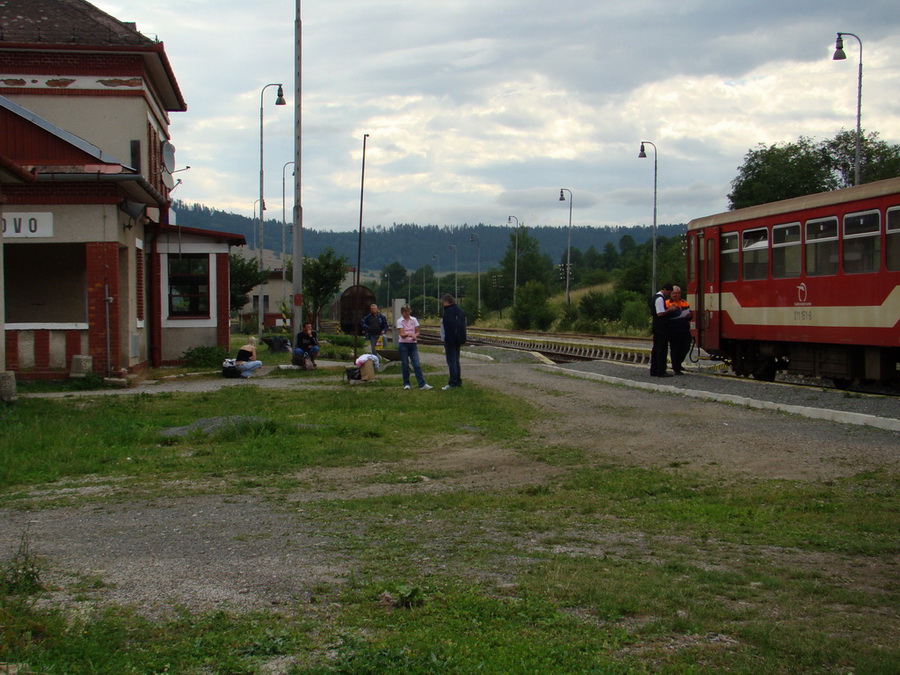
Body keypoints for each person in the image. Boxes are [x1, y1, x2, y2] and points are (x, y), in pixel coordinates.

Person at [396, 305, 432, 390]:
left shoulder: (414, 320)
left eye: (408, 311)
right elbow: (402, 334)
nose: (406, 313)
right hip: (403, 344)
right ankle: (406, 383)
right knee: (405, 364)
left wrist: (415, 335)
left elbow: (417, 331)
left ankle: (422, 384)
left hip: (413, 344)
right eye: (405, 312)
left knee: (416, 364)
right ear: (402, 312)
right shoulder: (399, 321)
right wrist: (409, 334)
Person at [649, 283, 678, 377]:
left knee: (656, 348)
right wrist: (670, 310)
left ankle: (654, 370)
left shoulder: (654, 297)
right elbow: (660, 313)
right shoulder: (660, 299)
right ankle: (661, 370)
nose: (668, 294)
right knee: (662, 348)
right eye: (669, 292)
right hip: (661, 326)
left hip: (656, 326)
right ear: (665, 290)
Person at [440, 293, 467, 390]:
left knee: (451, 361)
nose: (443, 304)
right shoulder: (460, 311)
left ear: (446, 302)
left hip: (450, 340)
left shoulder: (448, 312)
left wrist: (447, 339)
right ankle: (458, 381)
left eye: (443, 302)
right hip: (459, 339)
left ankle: (452, 382)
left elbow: (448, 327)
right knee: (456, 361)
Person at [666, 285, 692, 374]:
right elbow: (665, 315)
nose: (675, 295)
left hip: (684, 328)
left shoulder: (685, 303)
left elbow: (690, 314)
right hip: (673, 329)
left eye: (677, 293)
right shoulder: (667, 303)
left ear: (680, 294)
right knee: (675, 348)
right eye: (673, 293)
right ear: (670, 294)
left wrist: (689, 315)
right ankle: (676, 367)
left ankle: (678, 363)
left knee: (686, 347)